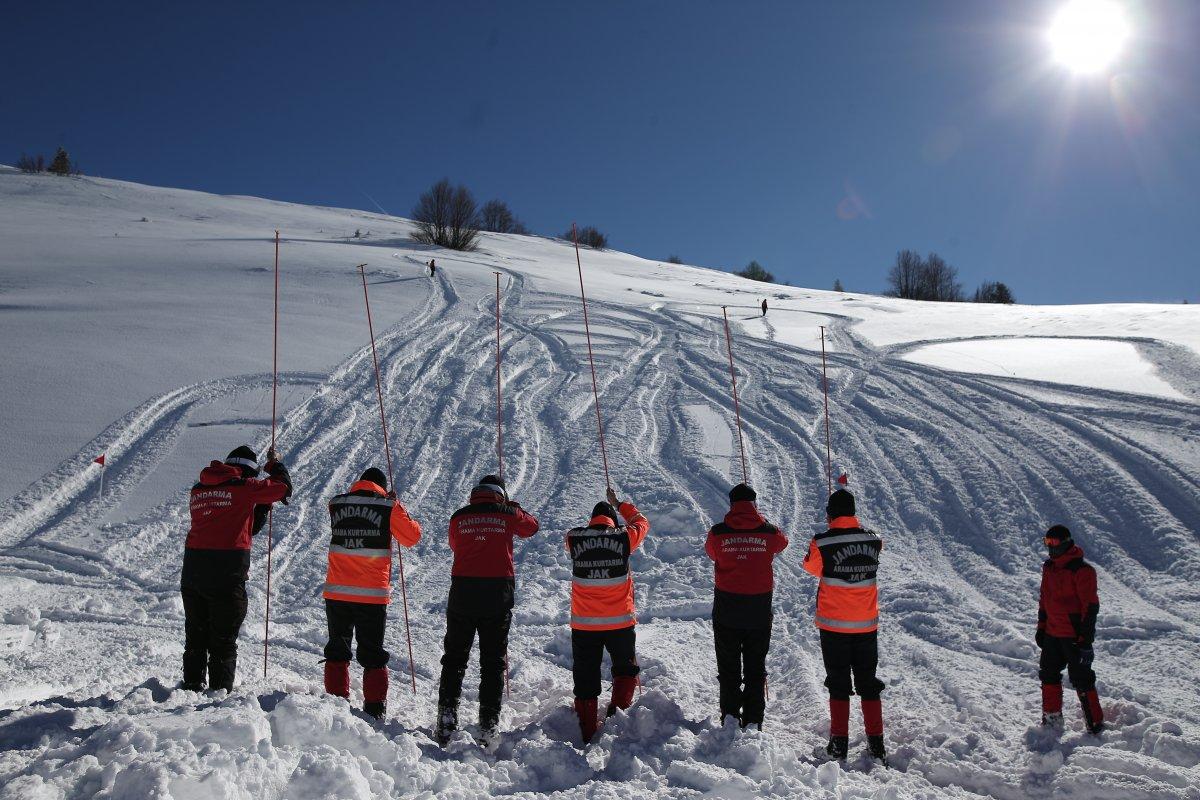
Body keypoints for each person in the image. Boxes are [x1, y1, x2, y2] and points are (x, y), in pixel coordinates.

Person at [435, 474, 539, 745]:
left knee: (454, 658)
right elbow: (532, 527)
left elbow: (454, 545)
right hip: (497, 594)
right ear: (501, 494)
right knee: (492, 662)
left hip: (462, 592)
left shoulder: (459, 517)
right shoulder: (508, 513)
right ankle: (488, 724)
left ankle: (446, 719)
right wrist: (514, 509)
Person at [181, 445, 291, 692]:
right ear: (248, 473)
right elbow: (283, 487)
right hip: (226, 571)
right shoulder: (244, 487)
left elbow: (245, 526)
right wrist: (274, 464)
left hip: (193, 571)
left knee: (196, 636)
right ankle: (218, 696)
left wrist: (260, 506)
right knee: (223, 639)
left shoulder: (199, 489)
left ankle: (191, 688)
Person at [322, 467, 421, 720]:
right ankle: (375, 709)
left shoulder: (336, 503)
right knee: (372, 652)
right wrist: (396, 504)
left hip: (337, 591)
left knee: (337, 649)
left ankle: (335, 705)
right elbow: (411, 537)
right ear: (381, 487)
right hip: (371, 594)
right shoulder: (388, 506)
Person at [803, 483, 887, 763]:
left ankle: (839, 745)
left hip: (834, 624)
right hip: (866, 624)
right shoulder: (874, 540)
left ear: (830, 514)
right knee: (868, 682)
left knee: (838, 683)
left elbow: (811, 567)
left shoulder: (822, 542)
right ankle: (877, 746)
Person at [567, 487, 650, 745]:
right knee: (625, 669)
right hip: (620, 622)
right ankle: (617, 716)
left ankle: (587, 729)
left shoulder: (574, 538)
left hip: (584, 624)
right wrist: (620, 504)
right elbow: (642, 523)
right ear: (613, 521)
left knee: (585, 674)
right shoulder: (624, 537)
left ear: (591, 520)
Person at [704, 483, 788, 729]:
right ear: (754, 504)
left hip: (727, 609)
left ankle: (730, 717)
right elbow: (782, 542)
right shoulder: (768, 531)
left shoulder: (717, 532)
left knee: (728, 667)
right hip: (758, 609)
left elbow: (712, 553)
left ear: (731, 504)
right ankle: (754, 720)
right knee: (755, 667)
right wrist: (760, 522)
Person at [1037, 524, 1104, 734]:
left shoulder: (1082, 570)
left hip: (1073, 636)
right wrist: (1042, 627)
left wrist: (1086, 639)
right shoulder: (1049, 567)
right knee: (1048, 674)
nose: (1050, 547)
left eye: (1054, 542)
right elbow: (1044, 600)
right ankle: (1052, 719)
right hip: (1052, 634)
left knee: (1082, 679)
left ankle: (1095, 724)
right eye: (1047, 542)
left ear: (1066, 543)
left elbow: (1090, 606)